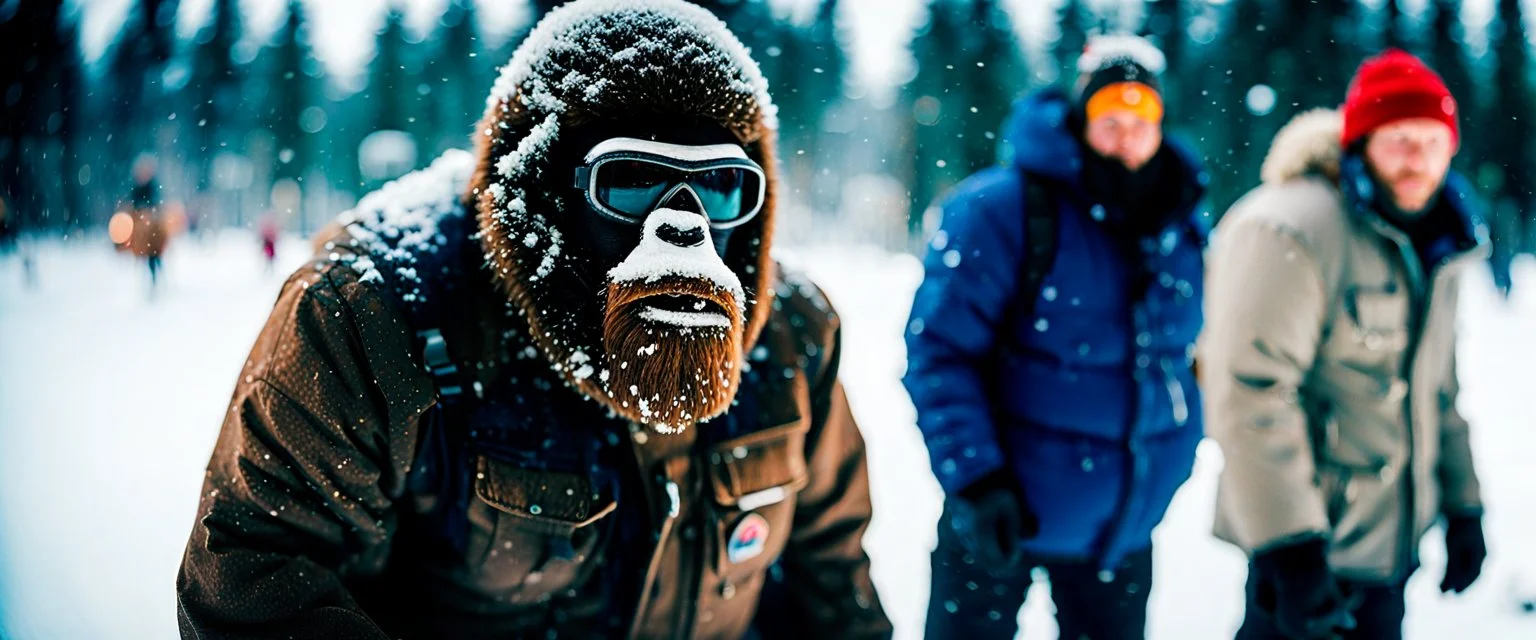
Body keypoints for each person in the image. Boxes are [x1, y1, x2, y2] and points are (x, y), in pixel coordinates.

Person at [175, 2, 891, 638]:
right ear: (549, 190)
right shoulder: (380, 314)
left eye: (723, 188)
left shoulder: (792, 336)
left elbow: (830, 566)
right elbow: (257, 575)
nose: (688, 231)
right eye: (634, 181)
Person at [903, 34, 1208, 639]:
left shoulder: (1180, 221)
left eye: (1142, 118)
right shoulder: (1000, 209)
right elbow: (940, 353)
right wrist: (977, 480)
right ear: (1079, 119)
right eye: (1109, 118)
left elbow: (1179, 357)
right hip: (998, 515)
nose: (1127, 135)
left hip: (1120, 530)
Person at [1202, 49, 1489, 640]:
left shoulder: (1435, 240)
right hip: (1310, 553)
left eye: (1433, 142)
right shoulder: (1290, 228)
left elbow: (1438, 388)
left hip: (1389, 546)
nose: (1419, 160)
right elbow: (1249, 392)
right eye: (1399, 140)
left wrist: (1464, 507)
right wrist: (1291, 549)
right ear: (1358, 144)